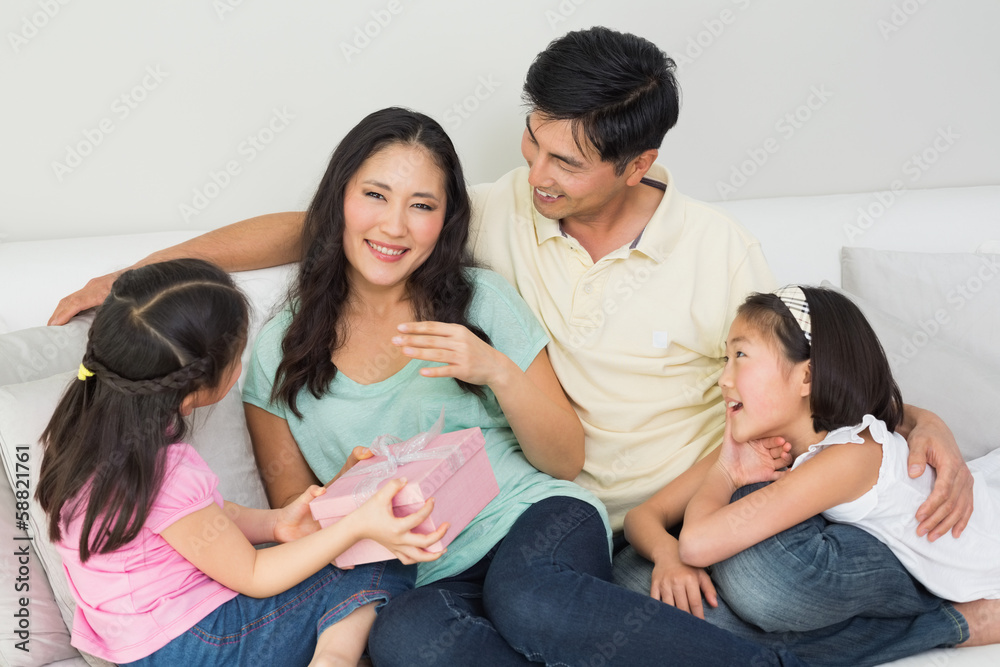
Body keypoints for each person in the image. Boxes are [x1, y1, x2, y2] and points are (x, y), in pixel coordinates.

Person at [49, 26, 979, 661]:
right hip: (421, 560)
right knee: (411, 644)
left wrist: (912, 415)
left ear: (635, 163)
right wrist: (144, 275)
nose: (536, 173)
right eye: (531, 145)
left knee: (544, 598)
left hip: (549, 515)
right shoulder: (285, 344)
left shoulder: (493, 291)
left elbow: (587, 445)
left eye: (425, 205)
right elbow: (302, 515)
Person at [241, 105, 804, 665]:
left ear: (445, 220)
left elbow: (564, 457)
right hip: (425, 572)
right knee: (404, 641)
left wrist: (495, 370)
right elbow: (292, 523)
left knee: (528, 599)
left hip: (534, 519)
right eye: (375, 195)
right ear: (338, 198)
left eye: (422, 206)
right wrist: (344, 492)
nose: (394, 226)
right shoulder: (277, 355)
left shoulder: (480, 299)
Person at [35, 258, 446, 666]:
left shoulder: (79, 433)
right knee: (379, 555)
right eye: (237, 354)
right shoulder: (166, 469)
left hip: (140, 646)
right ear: (199, 385)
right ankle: (334, 659)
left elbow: (199, 520)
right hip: (199, 645)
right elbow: (254, 575)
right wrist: (358, 524)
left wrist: (275, 522)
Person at [625, 285, 1000, 665]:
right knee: (630, 575)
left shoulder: (851, 454)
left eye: (740, 355)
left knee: (737, 587)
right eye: (725, 359)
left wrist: (725, 473)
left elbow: (697, 544)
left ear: (807, 378)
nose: (723, 379)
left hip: (982, 561)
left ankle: (949, 623)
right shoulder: (765, 439)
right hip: (903, 564)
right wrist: (667, 557)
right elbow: (642, 517)